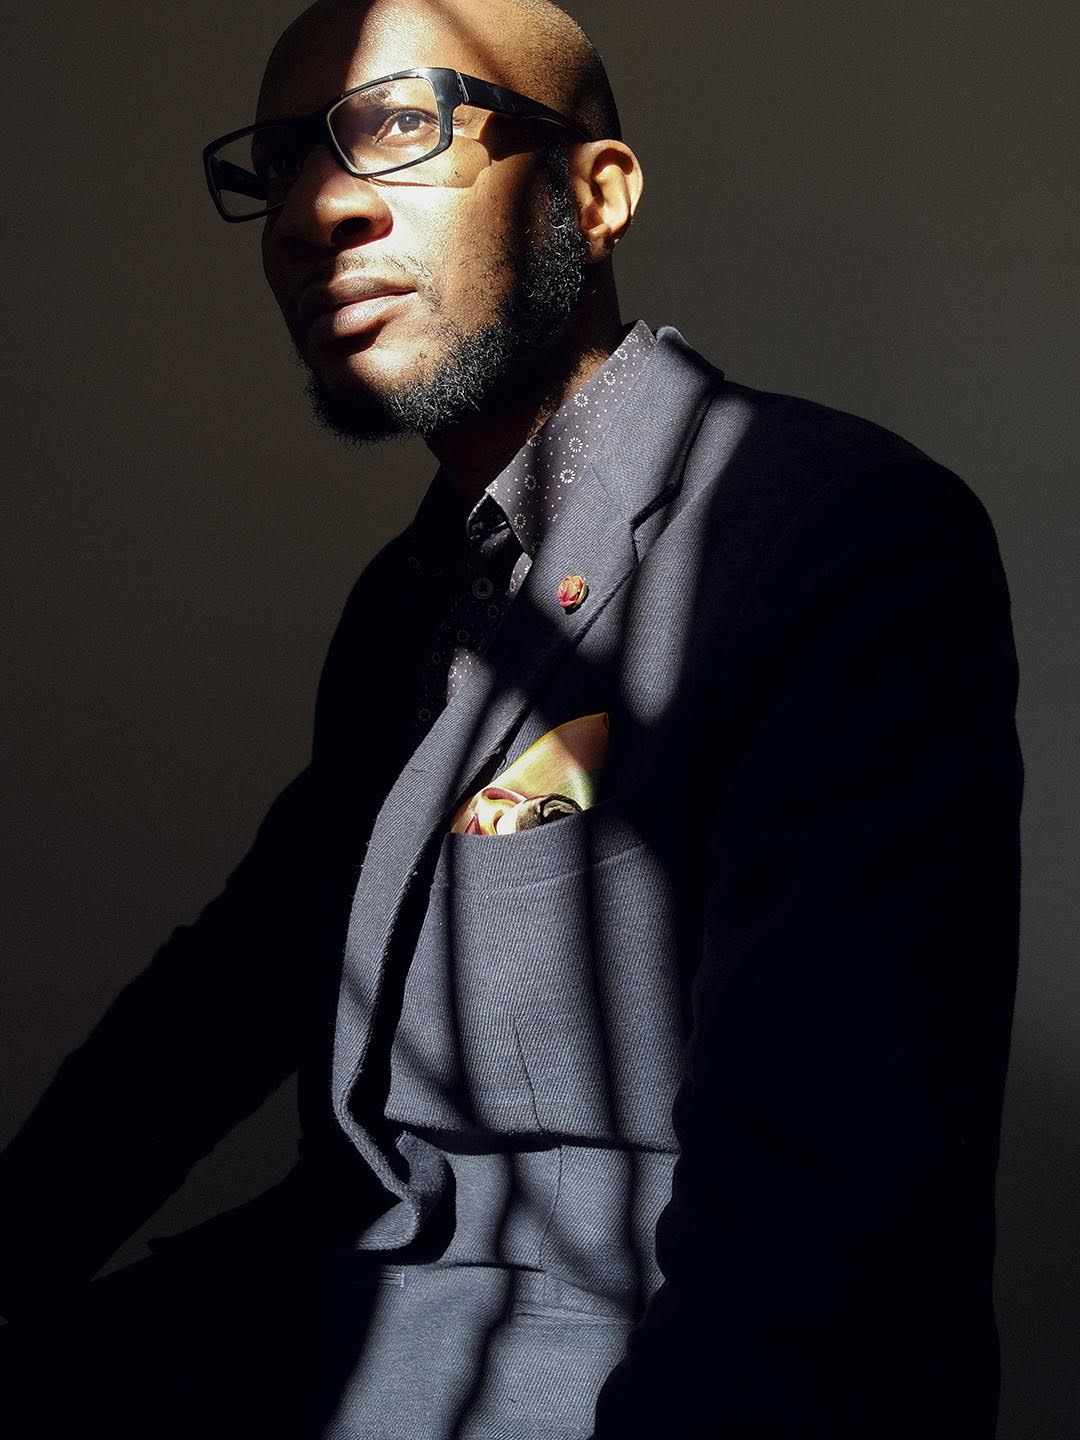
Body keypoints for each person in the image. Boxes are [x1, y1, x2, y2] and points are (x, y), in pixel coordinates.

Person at [0, 0, 1024, 1435]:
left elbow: (823, 1216)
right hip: (322, 1319)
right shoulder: (411, 595)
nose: (312, 211)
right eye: (282, 163)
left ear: (595, 195)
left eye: (397, 125)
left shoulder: (832, 533)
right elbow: (226, 991)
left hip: (593, 1370)